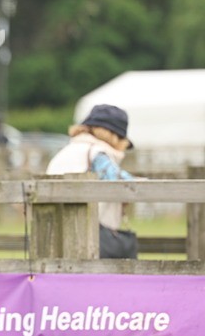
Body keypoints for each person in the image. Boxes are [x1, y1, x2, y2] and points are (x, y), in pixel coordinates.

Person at [46, 104, 139, 259]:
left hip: (53, 233)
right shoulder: (97, 154)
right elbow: (121, 182)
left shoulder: (67, 151)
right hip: (85, 235)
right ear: (114, 135)